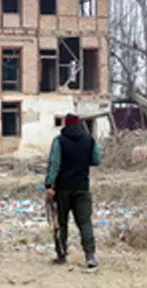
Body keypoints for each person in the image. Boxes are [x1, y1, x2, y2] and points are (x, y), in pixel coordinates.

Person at [44, 113, 102, 268]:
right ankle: (90, 256)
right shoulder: (89, 140)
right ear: (78, 124)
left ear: (65, 124)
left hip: (62, 188)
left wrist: (49, 184)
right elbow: (96, 160)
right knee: (85, 222)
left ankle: (61, 255)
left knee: (61, 223)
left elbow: (54, 164)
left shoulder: (59, 141)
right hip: (82, 187)